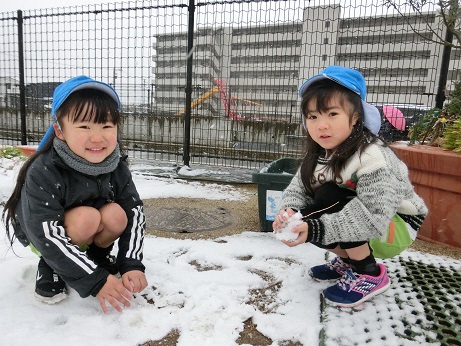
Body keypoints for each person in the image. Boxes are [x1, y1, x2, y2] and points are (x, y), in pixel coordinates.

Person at [272, 66, 427, 308]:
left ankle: (369, 273)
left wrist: (313, 228)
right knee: (311, 211)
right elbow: (298, 190)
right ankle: (349, 262)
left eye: (332, 114)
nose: (321, 125)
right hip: (365, 221)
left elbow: (373, 215)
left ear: (355, 117)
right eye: (313, 117)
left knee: (328, 200)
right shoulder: (319, 155)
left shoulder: (373, 155)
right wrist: (288, 213)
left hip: (394, 226)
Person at [2, 75, 148, 313]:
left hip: (84, 229)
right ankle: (51, 266)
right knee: (86, 218)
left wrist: (132, 263)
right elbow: (44, 233)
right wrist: (96, 280)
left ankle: (96, 257)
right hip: (43, 236)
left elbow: (135, 212)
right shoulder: (45, 169)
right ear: (59, 131)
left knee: (116, 215)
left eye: (107, 126)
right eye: (84, 126)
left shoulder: (115, 165)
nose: (97, 137)